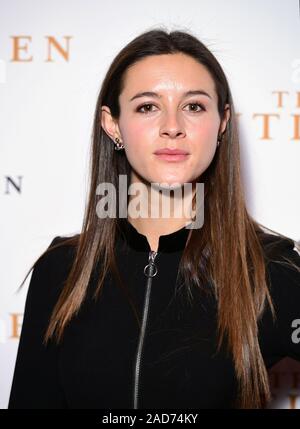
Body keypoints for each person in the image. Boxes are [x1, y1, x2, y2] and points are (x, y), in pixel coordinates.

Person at [8, 28, 300, 409]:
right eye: (147, 106)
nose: (172, 126)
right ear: (113, 125)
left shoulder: (269, 270)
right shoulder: (61, 270)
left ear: (222, 122)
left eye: (194, 106)